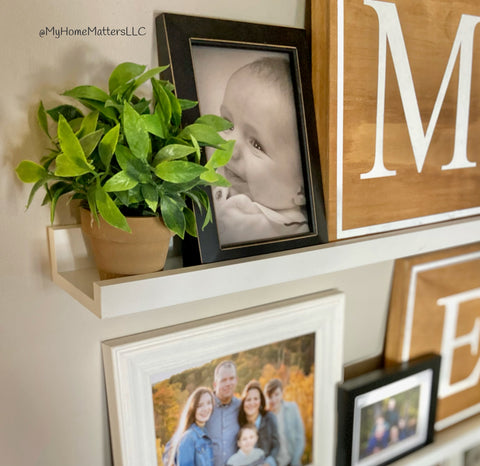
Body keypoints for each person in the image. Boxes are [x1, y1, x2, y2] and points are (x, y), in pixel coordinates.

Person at [212, 56, 309, 246]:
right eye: (228, 124)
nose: (229, 148)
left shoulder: (278, 233)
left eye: (257, 144)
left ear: (303, 188)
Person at [205, 360, 241, 466]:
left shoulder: (241, 407)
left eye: (231, 379)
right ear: (215, 384)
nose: (228, 383)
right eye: (223, 380)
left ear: (236, 380)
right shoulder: (204, 407)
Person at [167, 387, 215, 466]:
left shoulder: (204, 432)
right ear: (192, 408)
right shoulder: (189, 437)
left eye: (209, 403)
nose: (206, 408)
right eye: (200, 405)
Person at [264, 378, 305, 466]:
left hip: (293, 462)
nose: (274, 399)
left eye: (276, 394)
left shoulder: (292, 408)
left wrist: (295, 461)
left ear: (282, 393)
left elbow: (300, 438)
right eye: (270, 396)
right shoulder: (265, 418)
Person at [238, 380, 280, 466]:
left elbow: (276, 445)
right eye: (248, 399)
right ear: (243, 402)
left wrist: (268, 463)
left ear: (260, 401)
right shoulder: (240, 423)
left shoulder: (269, 418)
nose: (252, 403)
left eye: (255, 399)